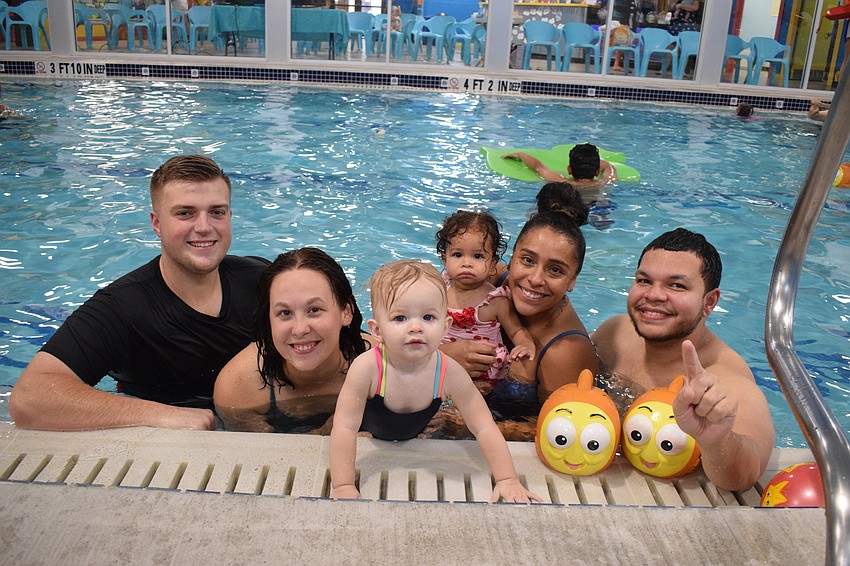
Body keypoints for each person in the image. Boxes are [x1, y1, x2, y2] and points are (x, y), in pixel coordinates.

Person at [9, 154, 269, 431]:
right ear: (156, 223)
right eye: (185, 213)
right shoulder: (122, 308)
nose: (204, 227)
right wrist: (161, 415)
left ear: (229, 216)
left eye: (217, 212)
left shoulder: (260, 279)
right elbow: (30, 397)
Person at [329, 260, 542, 503]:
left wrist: (507, 479)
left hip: (417, 435)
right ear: (377, 331)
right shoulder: (367, 369)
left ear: (445, 326)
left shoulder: (448, 371)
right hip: (370, 435)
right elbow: (344, 428)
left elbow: (483, 426)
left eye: (428, 317)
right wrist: (343, 486)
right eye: (400, 318)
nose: (416, 327)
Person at [591, 228, 775, 491]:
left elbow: (745, 476)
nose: (653, 295)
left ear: (709, 302)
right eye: (644, 281)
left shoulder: (723, 379)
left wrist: (716, 440)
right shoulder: (615, 333)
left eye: (676, 285)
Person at [440, 186, 601, 440]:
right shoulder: (494, 280)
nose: (534, 280)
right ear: (510, 259)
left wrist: (462, 423)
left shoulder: (563, 353)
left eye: (556, 270)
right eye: (527, 260)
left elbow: (566, 430)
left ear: (573, 281)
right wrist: (441, 355)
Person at [213, 247, 373, 433]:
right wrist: (322, 434)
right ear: (269, 320)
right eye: (285, 313)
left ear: (346, 312)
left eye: (314, 310)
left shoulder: (384, 363)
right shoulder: (240, 385)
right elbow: (260, 457)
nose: (300, 330)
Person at [436, 210, 535, 394]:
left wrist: (525, 345)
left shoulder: (495, 300)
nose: (467, 263)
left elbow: (517, 330)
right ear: (444, 259)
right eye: (457, 255)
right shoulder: (439, 290)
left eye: (478, 256)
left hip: (482, 376)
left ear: (492, 265)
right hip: (441, 366)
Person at [502, 143, 617, 189]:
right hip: (596, 208)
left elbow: (538, 167)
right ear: (597, 172)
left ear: (569, 169)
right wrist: (591, 163)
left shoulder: (561, 182)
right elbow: (609, 167)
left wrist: (519, 154)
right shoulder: (605, 183)